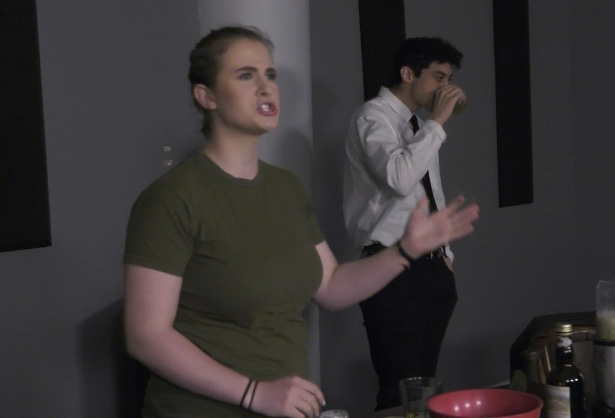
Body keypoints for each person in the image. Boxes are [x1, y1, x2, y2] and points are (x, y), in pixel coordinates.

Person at [122, 26, 479, 418]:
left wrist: (406, 250)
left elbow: (331, 287)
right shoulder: (171, 198)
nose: (266, 88)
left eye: (270, 75)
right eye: (246, 75)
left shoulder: (285, 188)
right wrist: (254, 393)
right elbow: (145, 336)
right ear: (206, 96)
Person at [342, 37, 467, 410]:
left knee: (425, 388)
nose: (445, 88)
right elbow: (398, 178)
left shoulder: (418, 125)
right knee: (398, 390)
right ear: (408, 73)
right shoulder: (372, 117)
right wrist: (438, 123)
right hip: (389, 266)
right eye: (438, 77)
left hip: (431, 267)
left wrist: (446, 255)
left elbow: (431, 194)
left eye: (448, 79)